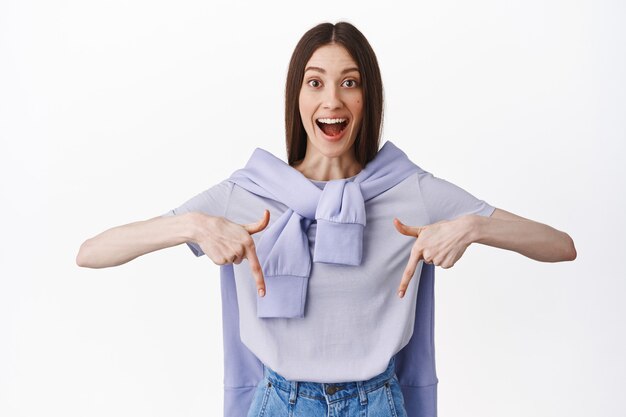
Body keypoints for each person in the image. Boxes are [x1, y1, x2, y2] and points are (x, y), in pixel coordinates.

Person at [76, 21, 577, 417]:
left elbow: (560, 245)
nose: (332, 100)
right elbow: (91, 253)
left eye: (349, 83)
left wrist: (474, 226)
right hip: (278, 404)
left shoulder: (410, 192)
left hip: (377, 404)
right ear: (297, 97)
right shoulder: (247, 194)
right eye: (315, 82)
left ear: (367, 98)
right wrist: (189, 226)